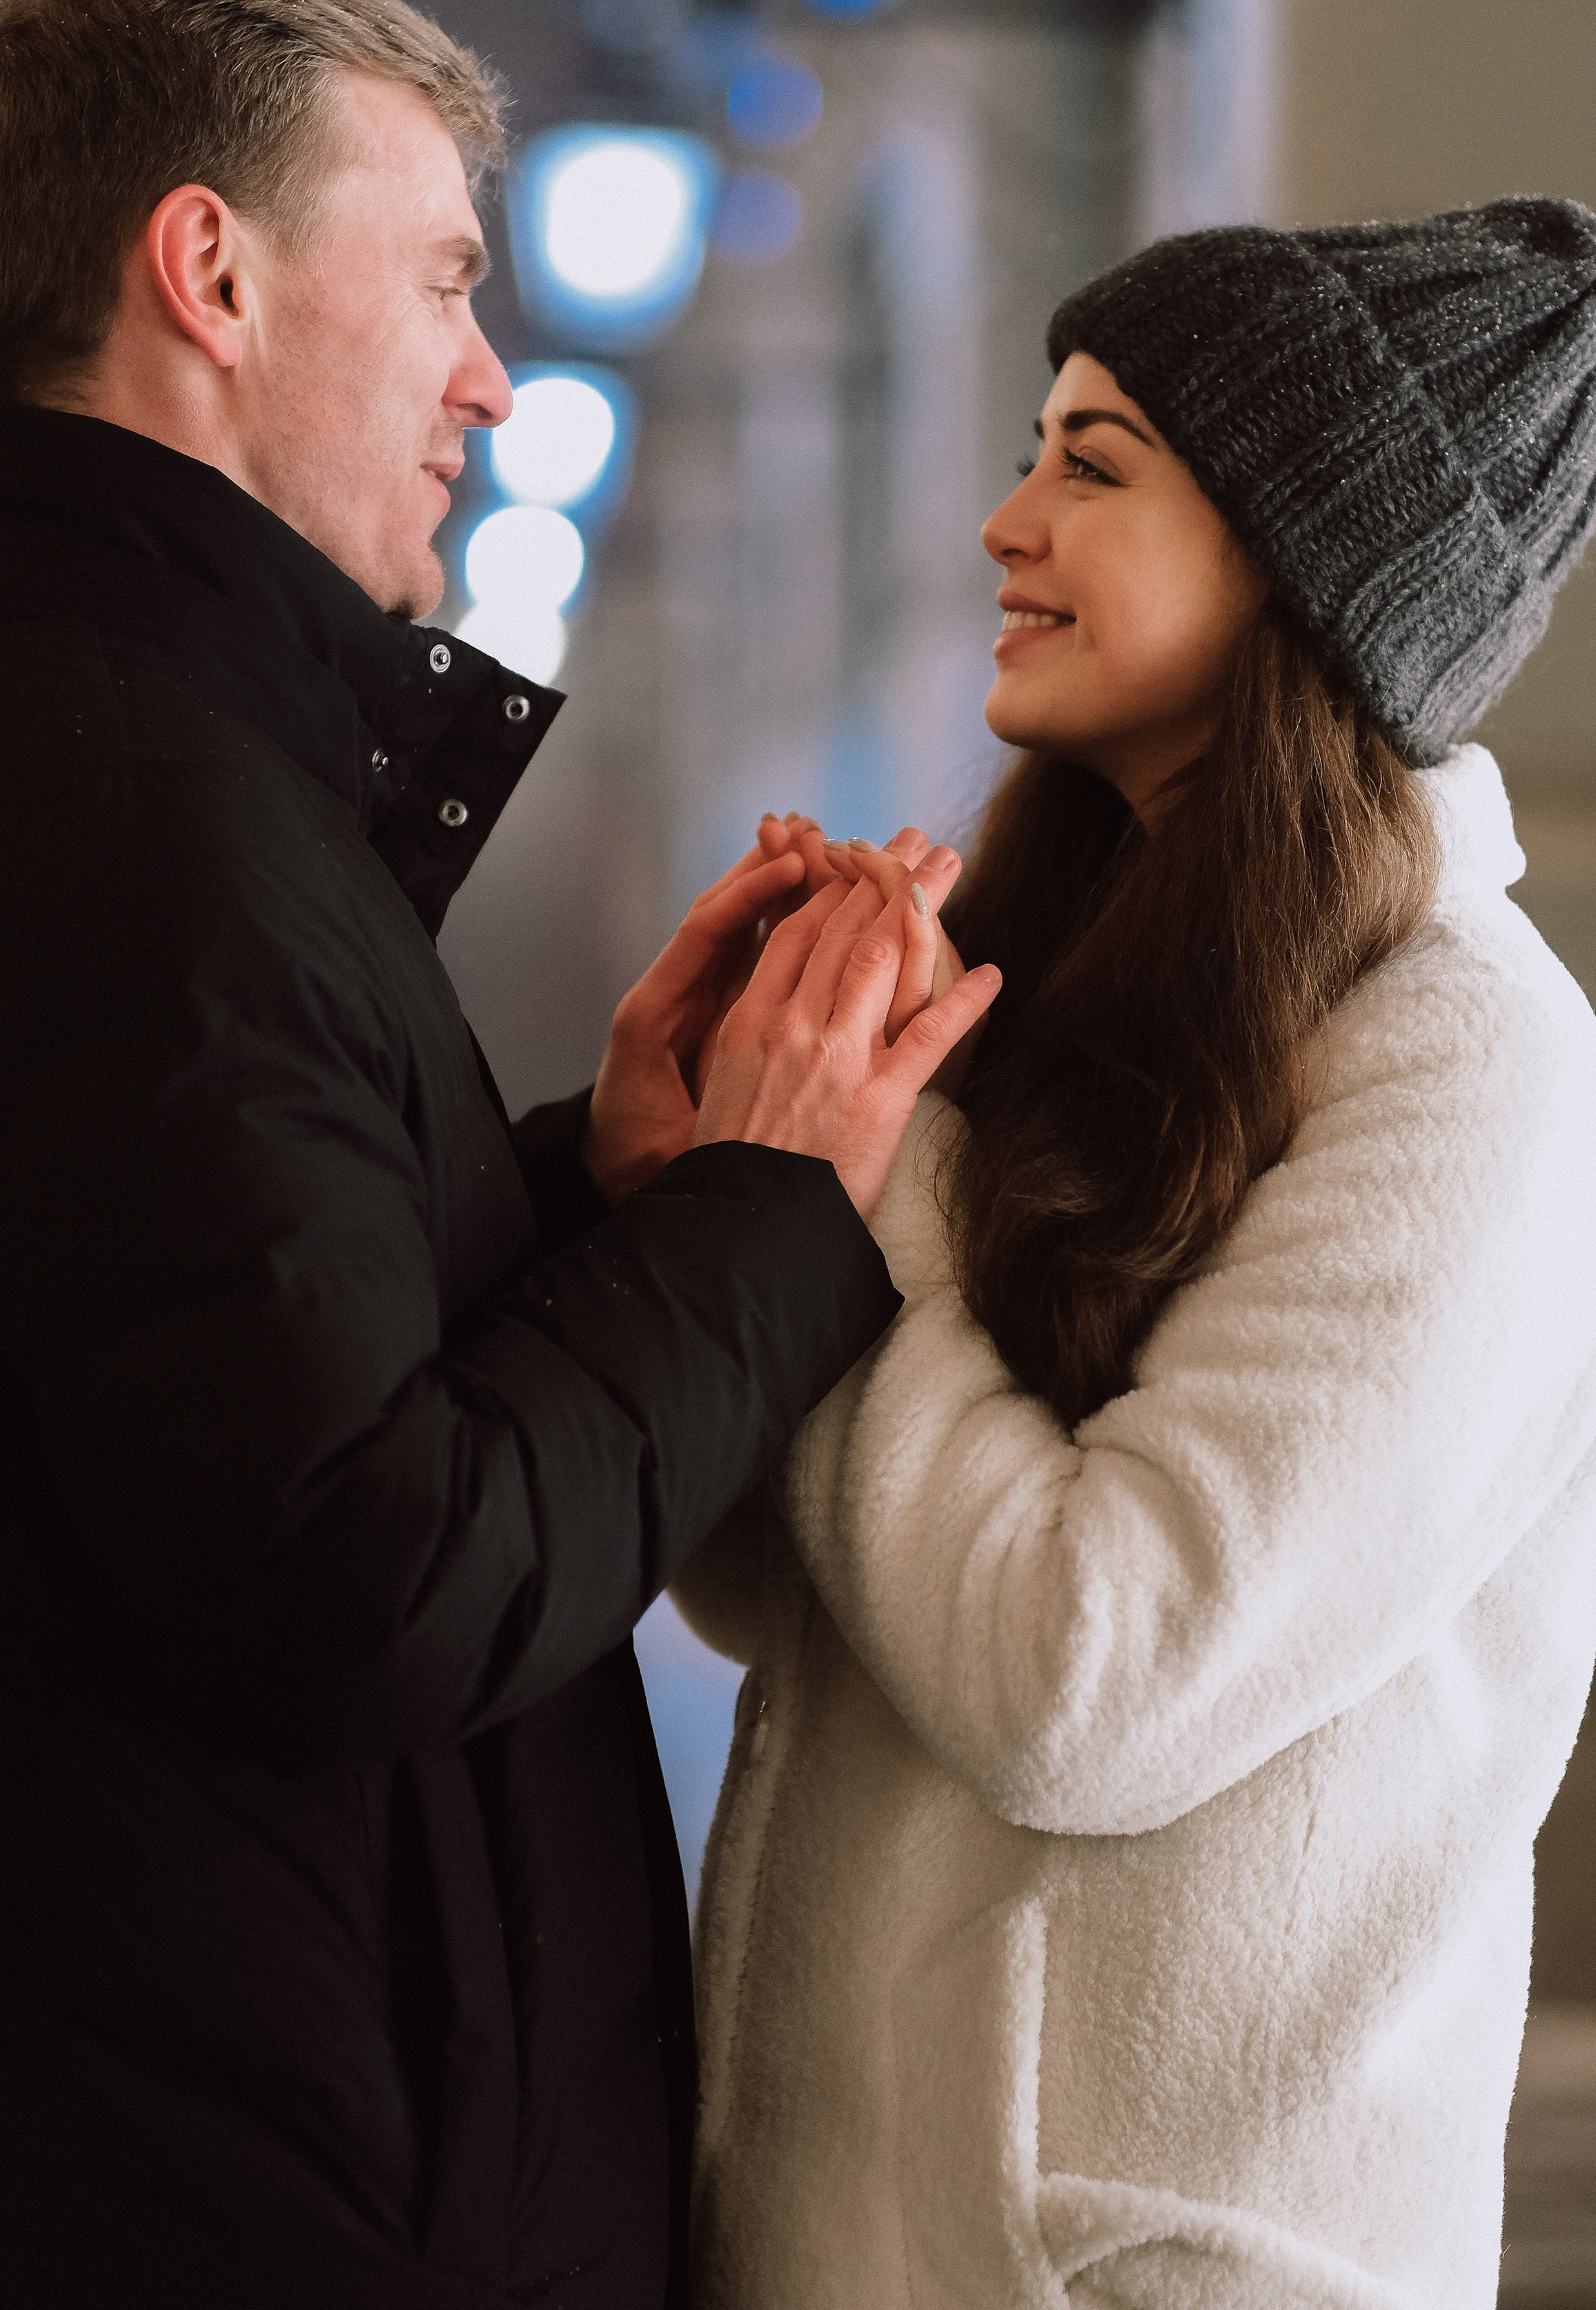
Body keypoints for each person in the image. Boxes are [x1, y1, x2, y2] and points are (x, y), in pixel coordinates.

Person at [0, 0, 996, 2309]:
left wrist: (606, 1178)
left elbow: (221, 1348)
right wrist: (768, 1212)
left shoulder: (99, 747)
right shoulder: (123, 810)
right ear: (213, 276)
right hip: (236, 2200)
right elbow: (354, 1572)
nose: (489, 379)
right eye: (449, 278)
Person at [678, 200, 1596, 2310]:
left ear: (1305, 571)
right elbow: (766, 1590)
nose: (1008, 521)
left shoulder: (1475, 1066)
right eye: (1031, 450)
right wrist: (730, 1166)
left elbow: (1096, 1680)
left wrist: (863, 1156)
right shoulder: (1066, 976)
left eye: (1094, 469)